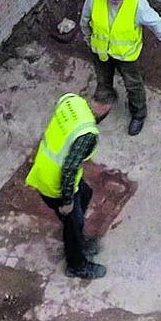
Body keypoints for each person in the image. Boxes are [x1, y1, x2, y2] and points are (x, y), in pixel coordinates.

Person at [80, 0, 161, 136]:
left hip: (126, 56)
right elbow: (85, 20)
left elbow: (156, 23)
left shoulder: (137, 2)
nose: (116, 0)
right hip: (100, 52)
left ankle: (138, 114)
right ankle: (104, 102)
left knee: (133, 85)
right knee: (103, 80)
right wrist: (89, 41)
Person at [25, 93, 107, 279]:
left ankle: (77, 237)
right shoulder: (87, 133)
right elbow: (69, 169)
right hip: (55, 184)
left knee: (85, 194)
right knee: (73, 222)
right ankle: (77, 265)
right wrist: (68, 200)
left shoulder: (72, 101)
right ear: (106, 109)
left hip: (44, 169)